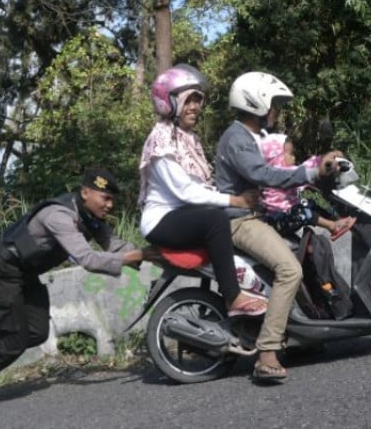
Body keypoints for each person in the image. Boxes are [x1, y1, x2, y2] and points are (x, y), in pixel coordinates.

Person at [0, 168, 155, 411]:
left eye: (112, 199)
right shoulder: (59, 216)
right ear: (86, 192)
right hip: (3, 267)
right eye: (105, 198)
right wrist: (140, 254)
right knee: (16, 338)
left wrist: (155, 255)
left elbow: (116, 246)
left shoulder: (90, 218)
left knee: (36, 332)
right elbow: (86, 259)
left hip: (25, 271)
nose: (110, 205)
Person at [214, 71, 341, 382]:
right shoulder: (237, 139)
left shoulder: (248, 137)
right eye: (275, 104)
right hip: (239, 222)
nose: (277, 111)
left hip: (252, 217)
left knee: (298, 257)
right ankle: (267, 353)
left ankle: (298, 339)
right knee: (290, 270)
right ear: (257, 103)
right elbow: (266, 176)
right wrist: (310, 173)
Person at [138, 64, 267, 318]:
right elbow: (186, 191)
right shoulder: (161, 139)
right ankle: (233, 296)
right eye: (188, 101)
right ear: (169, 102)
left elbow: (205, 185)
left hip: (183, 215)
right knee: (216, 219)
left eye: (198, 100)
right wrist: (235, 201)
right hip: (161, 220)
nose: (196, 107)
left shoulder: (186, 138)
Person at [259, 132, 355, 240]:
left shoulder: (275, 174)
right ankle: (332, 226)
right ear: (277, 158)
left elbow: (303, 168)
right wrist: (323, 158)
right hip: (278, 220)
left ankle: (337, 218)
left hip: (287, 213)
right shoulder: (280, 174)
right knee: (302, 211)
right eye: (290, 155)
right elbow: (305, 168)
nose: (294, 158)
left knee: (312, 199)